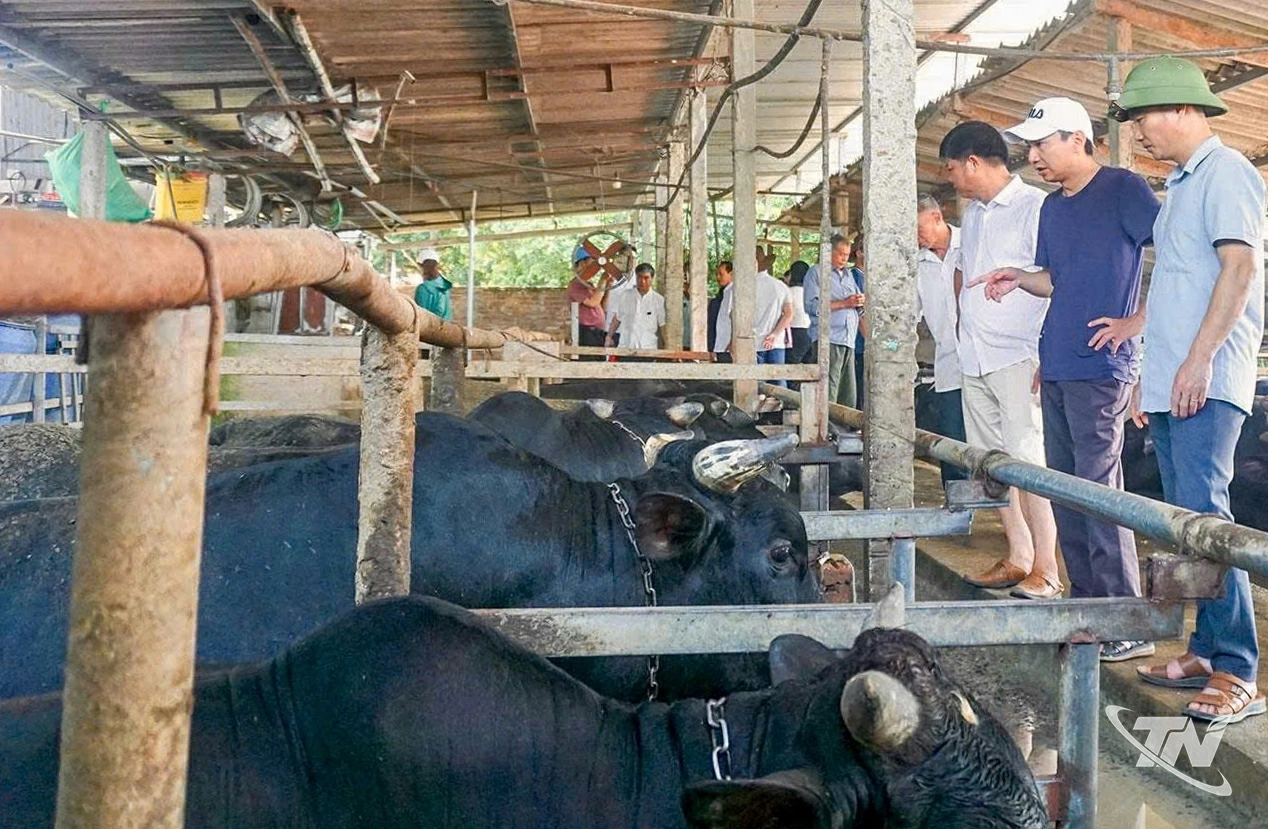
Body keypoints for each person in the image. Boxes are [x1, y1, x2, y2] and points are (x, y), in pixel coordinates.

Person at [971, 97, 1162, 661]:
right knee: (1064, 486)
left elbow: (1177, 257)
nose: (1033, 156)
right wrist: (1019, 277)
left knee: (1101, 492)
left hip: (1102, 365)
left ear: (1077, 138)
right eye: (1029, 146)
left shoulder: (1125, 190)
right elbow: (1055, 279)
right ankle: (1086, 606)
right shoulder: (1054, 208)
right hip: (1056, 359)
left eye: (1042, 144)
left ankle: (1123, 615)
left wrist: (1136, 324)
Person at [1110, 58, 1264, 723]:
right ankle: (1204, 647)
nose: (1140, 134)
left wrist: (1199, 360)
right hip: (1173, 377)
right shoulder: (1179, 186)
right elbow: (1172, 288)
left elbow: (1240, 268)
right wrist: (1154, 365)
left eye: (1143, 120)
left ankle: (1237, 668)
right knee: (1185, 525)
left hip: (1205, 378)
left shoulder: (1228, 173)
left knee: (1207, 518)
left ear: (1178, 109)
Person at [939, 120, 1061, 600]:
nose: (950, 178)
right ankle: (1019, 555)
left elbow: (1056, 279)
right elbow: (966, 271)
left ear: (972, 162)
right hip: (976, 354)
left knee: (1030, 462)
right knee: (992, 465)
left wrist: (1044, 351)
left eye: (952, 168)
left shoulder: (1036, 208)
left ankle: (1048, 568)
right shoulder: (973, 214)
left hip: (1018, 353)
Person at [915, 195, 968, 487]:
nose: (916, 236)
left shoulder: (971, 243)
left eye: (918, 227)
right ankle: (959, 505)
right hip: (948, 365)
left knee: (993, 439)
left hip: (987, 361)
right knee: (952, 439)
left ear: (936, 217)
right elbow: (907, 318)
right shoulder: (918, 264)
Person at [804, 234, 865, 406]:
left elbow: (855, 304)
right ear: (829, 252)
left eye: (847, 255)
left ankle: (844, 429)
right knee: (829, 389)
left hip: (848, 340)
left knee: (848, 393)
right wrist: (845, 303)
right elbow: (811, 307)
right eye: (840, 254)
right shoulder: (816, 272)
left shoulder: (848, 275)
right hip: (829, 339)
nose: (844, 259)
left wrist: (859, 301)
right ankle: (827, 429)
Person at [606, 263, 665, 352]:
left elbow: (662, 325)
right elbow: (617, 318)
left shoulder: (658, 300)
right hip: (626, 346)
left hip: (648, 348)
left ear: (652, 278)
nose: (642, 281)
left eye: (646, 278)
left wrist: (667, 346)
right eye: (639, 277)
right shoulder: (626, 295)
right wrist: (609, 336)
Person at [566, 246, 614, 351]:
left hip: (597, 332)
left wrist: (607, 287)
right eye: (592, 263)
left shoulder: (588, 284)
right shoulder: (575, 285)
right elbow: (593, 302)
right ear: (582, 263)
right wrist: (602, 281)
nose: (595, 267)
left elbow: (601, 305)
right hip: (587, 333)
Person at [784, 261, 814, 385]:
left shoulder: (788, 292)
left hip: (796, 331)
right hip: (812, 331)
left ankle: (791, 396)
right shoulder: (811, 292)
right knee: (809, 367)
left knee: (791, 365)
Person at [413, 248, 453, 321]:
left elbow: (421, 316)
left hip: (430, 330)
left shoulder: (422, 289)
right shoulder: (445, 286)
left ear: (422, 266)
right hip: (448, 329)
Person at [850, 237, 867, 407]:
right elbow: (860, 312)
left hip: (868, 339)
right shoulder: (855, 277)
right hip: (860, 342)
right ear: (859, 253)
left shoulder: (869, 277)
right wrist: (869, 339)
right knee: (860, 385)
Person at [709, 260, 734, 363]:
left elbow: (734, 319)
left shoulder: (733, 293)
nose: (718, 278)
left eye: (721, 274)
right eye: (717, 274)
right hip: (720, 345)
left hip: (728, 346)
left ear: (731, 274)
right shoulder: (722, 294)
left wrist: (733, 342)